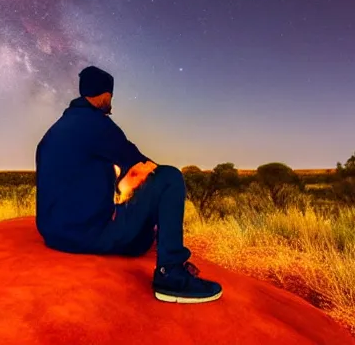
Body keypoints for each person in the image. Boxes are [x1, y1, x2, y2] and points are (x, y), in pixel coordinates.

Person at [35, 65, 222, 303]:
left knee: (141, 232)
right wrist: (144, 195)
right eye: (110, 96)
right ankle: (170, 274)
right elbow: (143, 166)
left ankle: (147, 242)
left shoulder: (51, 134)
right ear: (104, 95)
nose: (111, 102)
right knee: (169, 178)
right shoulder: (98, 124)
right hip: (87, 236)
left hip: (53, 235)